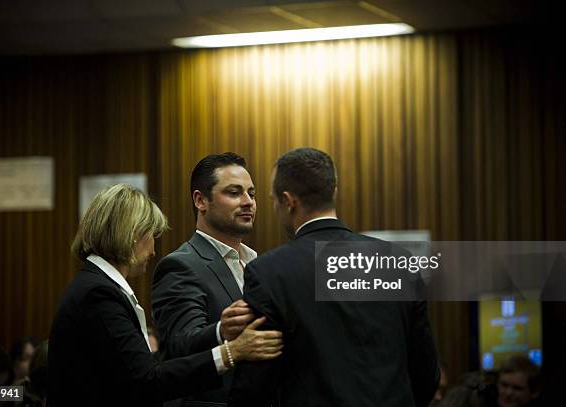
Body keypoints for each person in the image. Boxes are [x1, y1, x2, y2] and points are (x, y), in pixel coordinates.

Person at [228, 148, 440, 407]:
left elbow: (254, 385)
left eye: (273, 200)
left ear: (288, 201)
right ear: (334, 192)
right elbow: (426, 373)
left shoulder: (268, 272)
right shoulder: (399, 262)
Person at [48, 184, 282, 406]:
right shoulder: (97, 293)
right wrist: (231, 352)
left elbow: (134, 367)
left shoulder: (96, 286)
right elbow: (146, 380)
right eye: (151, 235)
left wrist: (219, 333)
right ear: (131, 233)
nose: (153, 250)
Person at [152, 153, 257, 406]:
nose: (248, 202)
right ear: (201, 200)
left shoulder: (256, 263)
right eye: (234, 193)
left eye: (251, 194)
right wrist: (222, 331)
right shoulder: (180, 265)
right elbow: (180, 345)